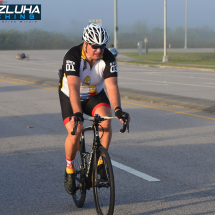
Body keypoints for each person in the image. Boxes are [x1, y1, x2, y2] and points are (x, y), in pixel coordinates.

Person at [58, 23, 130, 195]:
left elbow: (111, 86)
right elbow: (74, 87)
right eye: (95, 46)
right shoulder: (72, 56)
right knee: (76, 130)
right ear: (86, 43)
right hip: (71, 96)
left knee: (105, 122)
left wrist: (118, 109)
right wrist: (77, 113)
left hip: (94, 96)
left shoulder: (108, 58)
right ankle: (69, 168)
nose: (99, 50)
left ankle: (100, 163)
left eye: (103, 46)